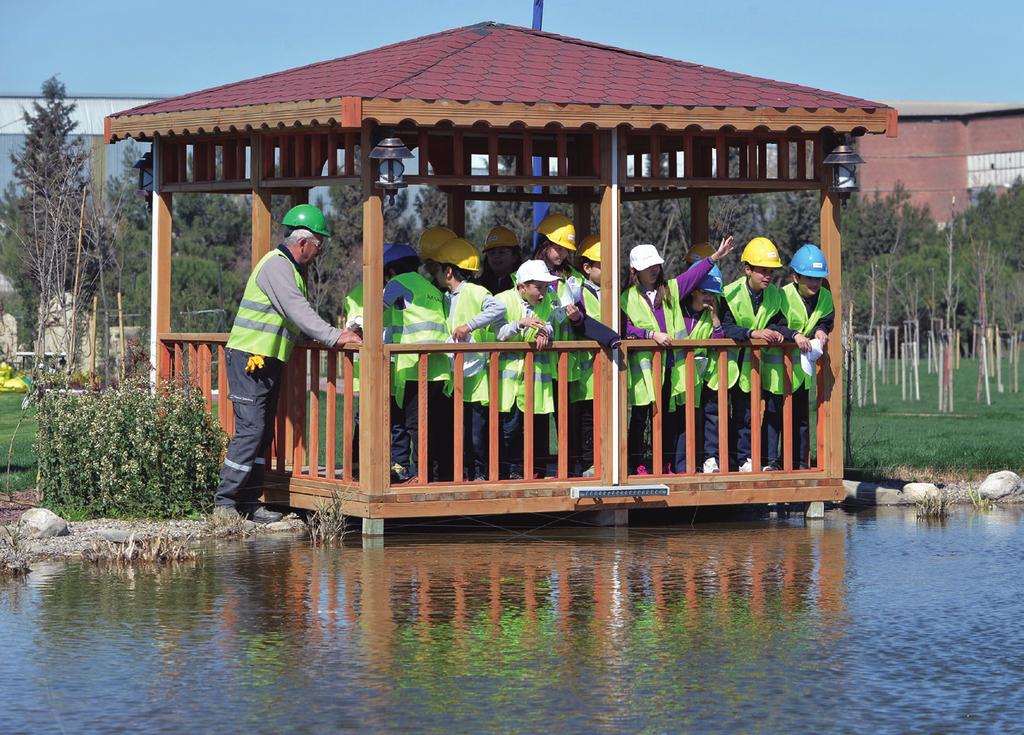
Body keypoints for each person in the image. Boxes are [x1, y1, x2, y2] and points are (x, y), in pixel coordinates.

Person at [214, 204, 361, 522]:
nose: (320, 251)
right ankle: (225, 504)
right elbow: (298, 311)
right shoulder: (277, 267)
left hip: (265, 360)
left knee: (262, 432)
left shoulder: (290, 269)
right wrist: (336, 336)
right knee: (251, 430)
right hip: (249, 359)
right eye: (319, 244)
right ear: (303, 241)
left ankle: (249, 503)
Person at [620, 238, 735, 475]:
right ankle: (637, 464)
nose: (653, 270)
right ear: (635, 271)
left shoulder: (670, 289)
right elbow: (624, 327)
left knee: (668, 418)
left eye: (656, 265)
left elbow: (692, 277)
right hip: (643, 370)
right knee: (640, 418)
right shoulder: (626, 297)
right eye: (647, 267)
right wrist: (650, 334)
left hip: (671, 367)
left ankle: (666, 463)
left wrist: (715, 257)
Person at [716, 237, 799, 472]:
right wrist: (753, 332)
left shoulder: (775, 295)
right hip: (729, 366)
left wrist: (780, 332)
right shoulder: (729, 294)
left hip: (758, 367)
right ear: (747, 270)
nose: (767, 276)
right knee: (729, 415)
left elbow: (778, 321)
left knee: (751, 415)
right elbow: (725, 328)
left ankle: (747, 459)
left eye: (770, 271)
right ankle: (731, 459)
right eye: (762, 270)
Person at [494, 260, 580, 479]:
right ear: (522, 286)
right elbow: (497, 333)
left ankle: (536, 471)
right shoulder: (502, 300)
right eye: (538, 287)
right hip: (509, 381)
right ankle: (510, 472)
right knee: (510, 429)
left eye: (545, 286)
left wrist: (545, 332)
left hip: (536, 380)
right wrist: (519, 324)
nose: (543, 292)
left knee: (538, 426)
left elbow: (551, 321)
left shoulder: (549, 299)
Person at [434, 237, 506, 481]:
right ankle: (461, 474)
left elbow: (498, 309)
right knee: (458, 432)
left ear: (449, 270)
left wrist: (469, 326)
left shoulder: (475, 291)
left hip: (475, 379)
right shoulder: (446, 297)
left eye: (438, 269)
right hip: (454, 377)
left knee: (475, 434)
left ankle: (479, 475)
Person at [383, 243, 453, 483]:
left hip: (416, 366)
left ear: (391, 271)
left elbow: (377, 309)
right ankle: (435, 474)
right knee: (434, 424)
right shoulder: (430, 287)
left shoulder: (397, 283)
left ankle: (419, 475)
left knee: (416, 425)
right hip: (439, 367)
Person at [782, 243, 834, 469]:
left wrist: (822, 329)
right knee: (775, 420)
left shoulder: (824, 296)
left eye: (818, 278)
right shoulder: (782, 295)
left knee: (801, 419)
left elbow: (825, 319)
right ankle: (773, 463)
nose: (814, 282)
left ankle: (799, 463)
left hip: (802, 373)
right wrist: (794, 335)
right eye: (808, 278)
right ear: (795, 277)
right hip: (776, 372)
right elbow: (775, 324)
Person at [477, 225, 522, 295]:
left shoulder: (523, 285)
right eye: (492, 253)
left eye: (502, 252)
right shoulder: (477, 285)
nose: (496, 256)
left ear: (514, 257)